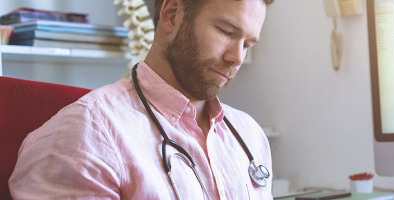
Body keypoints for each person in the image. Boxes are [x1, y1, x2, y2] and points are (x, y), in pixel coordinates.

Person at [9, 0, 275, 199]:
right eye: (226, 31)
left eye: (248, 44)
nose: (237, 58)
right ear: (172, 15)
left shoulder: (249, 134)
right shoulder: (86, 132)